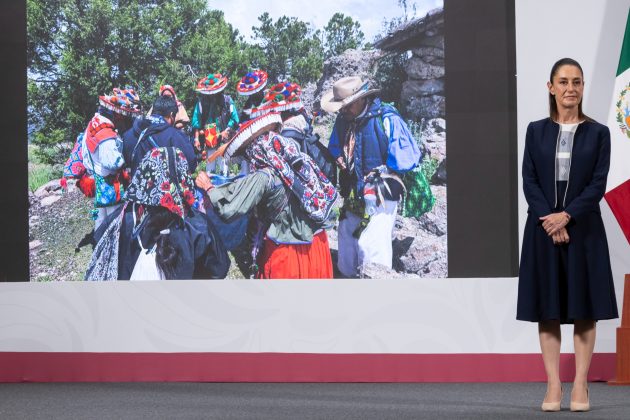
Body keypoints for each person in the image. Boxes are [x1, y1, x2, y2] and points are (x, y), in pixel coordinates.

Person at [516, 58, 618, 412]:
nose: (570, 88)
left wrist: (567, 216)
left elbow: (597, 184)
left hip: (584, 230)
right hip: (543, 230)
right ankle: (553, 384)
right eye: (563, 81)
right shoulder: (535, 131)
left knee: (584, 309)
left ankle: (580, 384)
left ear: (583, 87)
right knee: (548, 309)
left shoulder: (599, 133)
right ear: (551, 87)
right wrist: (550, 220)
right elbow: (529, 179)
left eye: (576, 81)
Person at [196, 112, 337, 279]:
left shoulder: (264, 177)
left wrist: (209, 188)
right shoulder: (298, 161)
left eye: (247, 154)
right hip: (317, 244)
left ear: (255, 151)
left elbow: (229, 209)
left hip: (288, 251)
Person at [321, 76, 421, 277]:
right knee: (347, 241)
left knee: (373, 245)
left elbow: (406, 157)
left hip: (382, 193)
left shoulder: (387, 118)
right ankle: (349, 281)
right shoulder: (343, 120)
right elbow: (334, 145)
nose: (343, 110)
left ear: (361, 99)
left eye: (347, 105)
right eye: (341, 107)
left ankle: (375, 283)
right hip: (353, 190)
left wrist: (384, 170)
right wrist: (339, 156)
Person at [85, 146, 230, 280]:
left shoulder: (124, 216)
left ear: (144, 175)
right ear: (184, 175)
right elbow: (219, 269)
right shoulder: (198, 225)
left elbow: (100, 243)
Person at [82, 87, 142, 231]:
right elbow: (113, 162)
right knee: (113, 219)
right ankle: (111, 242)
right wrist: (126, 161)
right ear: (117, 115)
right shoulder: (106, 134)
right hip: (108, 181)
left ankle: (99, 239)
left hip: (96, 176)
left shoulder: (95, 122)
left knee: (100, 217)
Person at [122, 95, 197, 176]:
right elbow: (191, 163)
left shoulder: (128, 134)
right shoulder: (175, 136)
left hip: (137, 183)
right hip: (166, 183)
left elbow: (126, 162)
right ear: (171, 115)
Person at [191, 73, 239, 176]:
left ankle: (224, 180)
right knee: (210, 166)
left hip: (224, 138)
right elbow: (196, 120)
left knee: (223, 166)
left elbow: (235, 118)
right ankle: (210, 182)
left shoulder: (227, 101)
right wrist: (196, 138)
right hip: (209, 138)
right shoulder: (201, 103)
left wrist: (227, 130)